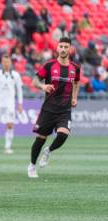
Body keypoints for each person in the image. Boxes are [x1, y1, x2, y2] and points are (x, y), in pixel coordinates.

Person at [28, 37, 80, 178]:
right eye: (61, 46)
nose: (63, 49)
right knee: (40, 139)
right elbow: (34, 81)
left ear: (70, 49)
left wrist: (74, 97)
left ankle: (48, 151)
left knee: (63, 134)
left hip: (64, 110)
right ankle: (32, 165)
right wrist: (43, 86)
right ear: (57, 48)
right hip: (48, 109)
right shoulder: (49, 65)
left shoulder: (75, 68)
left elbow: (76, 82)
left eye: (66, 47)